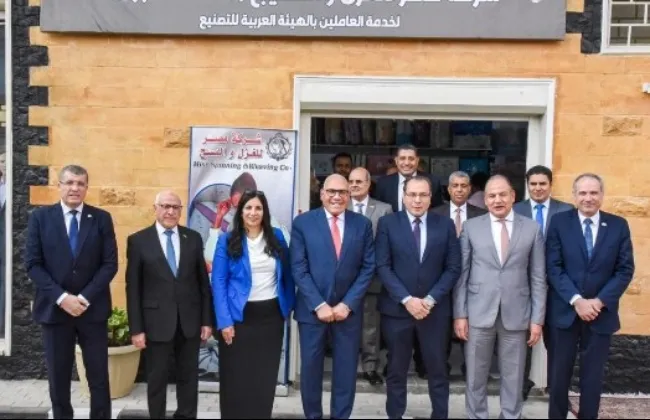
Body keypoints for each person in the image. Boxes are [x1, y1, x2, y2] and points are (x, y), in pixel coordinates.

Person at [25, 165, 118, 419]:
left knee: (98, 376)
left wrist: (84, 298)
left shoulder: (101, 218)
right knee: (58, 377)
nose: (75, 188)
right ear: (59, 186)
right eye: (69, 183)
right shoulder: (40, 218)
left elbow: (110, 264)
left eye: (80, 183)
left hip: (92, 310)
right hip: (54, 311)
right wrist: (63, 298)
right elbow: (33, 264)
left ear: (87, 187)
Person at [453, 174, 546, 419]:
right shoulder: (471, 227)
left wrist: (537, 319)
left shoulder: (532, 228)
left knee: (514, 376)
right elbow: (462, 274)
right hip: (478, 311)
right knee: (475, 375)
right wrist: (460, 314)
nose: (497, 200)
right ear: (485, 200)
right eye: (492, 196)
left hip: (517, 313)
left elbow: (538, 277)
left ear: (513, 196)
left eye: (502, 194)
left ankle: (511, 415)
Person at [546, 173, 634, 419]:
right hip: (565, 313)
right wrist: (577, 300)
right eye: (583, 193)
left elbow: (625, 270)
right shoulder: (559, 223)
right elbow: (553, 267)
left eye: (593, 192)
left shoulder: (618, 225)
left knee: (592, 378)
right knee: (558, 376)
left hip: (600, 314)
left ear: (602, 195)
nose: (588, 198)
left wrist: (598, 301)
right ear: (574, 196)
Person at [376, 175, 461, 419]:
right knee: (396, 370)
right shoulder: (388, 223)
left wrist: (430, 300)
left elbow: (453, 268)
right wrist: (407, 299)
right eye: (412, 194)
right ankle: (395, 415)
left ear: (431, 198)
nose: (417, 200)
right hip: (397, 311)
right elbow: (383, 266)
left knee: (437, 370)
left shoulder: (444, 225)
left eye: (423, 195)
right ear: (403, 197)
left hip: (434, 312)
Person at [290, 173, 375, 419]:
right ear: (322, 194)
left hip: (348, 313)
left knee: (346, 372)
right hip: (312, 311)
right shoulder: (303, 223)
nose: (337, 197)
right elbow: (298, 268)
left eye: (342, 192)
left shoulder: (362, 224)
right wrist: (319, 305)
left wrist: (347, 304)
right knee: (311, 370)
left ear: (349, 195)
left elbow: (368, 267)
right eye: (331, 192)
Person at [125, 190, 213, 420]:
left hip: (189, 322)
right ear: (155, 208)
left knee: (189, 377)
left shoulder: (193, 238)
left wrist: (206, 321)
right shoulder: (138, 241)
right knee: (156, 379)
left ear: (180, 211)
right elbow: (133, 288)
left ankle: (186, 415)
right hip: (155, 323)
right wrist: (136, 329)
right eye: (165, 206)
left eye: (175, 207)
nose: (170, 211)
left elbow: (203, 284)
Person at [211, 189, 295, 418]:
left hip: (270, 317)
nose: (253, 212)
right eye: (248, 207)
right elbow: (218, 282)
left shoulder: (277, 236)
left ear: (264, 212)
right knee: (236, 379)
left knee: (264, 378)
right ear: (240, 212)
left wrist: (287, 306)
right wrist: (224, 321)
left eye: (258, 208)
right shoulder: (227, 240)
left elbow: (287, 274)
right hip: (238, 318)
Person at [374, 143, 442, 377]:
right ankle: (393, 363)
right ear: (396, 161)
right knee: (396, 345)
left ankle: (423, 363)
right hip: (394, 255)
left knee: (426, 333)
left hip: (425, 252)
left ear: (417, 160)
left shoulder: (432, 181)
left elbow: (436, 215)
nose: (406, 162)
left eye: (411, 158)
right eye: (402, 158)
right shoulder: (383, 184)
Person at [513, 165, 573, 399]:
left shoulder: (566, 210)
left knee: (556, 343)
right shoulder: (516, 210)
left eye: (542, 183)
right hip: (523, 287)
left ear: (550, 184)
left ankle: (556, 390)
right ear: (528, 185)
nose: (538, 188)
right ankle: (520, 390)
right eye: (533, 184)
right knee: (522, 341)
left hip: (557, 289)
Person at [431, 170, 487, 378]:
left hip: (472, 277)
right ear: (448, 189)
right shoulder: (435, 214)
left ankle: (468, 367)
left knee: (469, 324)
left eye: (464, 186)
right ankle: (440, 367)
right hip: (441, 277)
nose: (459, 190)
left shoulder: (481, 214)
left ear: (470, 189)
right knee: (442, 326)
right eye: (455, 186)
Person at [348, 167, 392, 386]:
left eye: (359, 181)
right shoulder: (339, 205)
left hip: (372, 277)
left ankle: (370, 366)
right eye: (351, 181)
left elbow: (387, 245)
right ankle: (346, 366)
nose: (354, 185)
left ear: (368, 184)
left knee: (370, 325)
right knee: (345, 325)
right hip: (345, 279)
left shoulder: (384, 209)